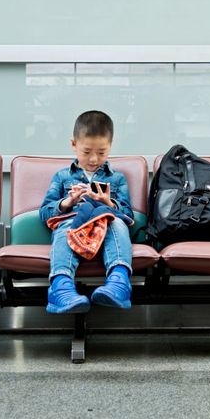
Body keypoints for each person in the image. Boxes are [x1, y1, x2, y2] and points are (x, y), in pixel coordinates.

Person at [39, 110, 134, 314]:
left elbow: (128, 215)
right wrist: (68, 202)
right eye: (86, 151)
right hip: (73, 225)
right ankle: (61, 288)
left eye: (101, 152)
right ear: (74, 144)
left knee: (117, 222)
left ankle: (118, 283)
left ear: (110, 146)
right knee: (64, 225)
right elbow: (45, 213)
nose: (93, 159)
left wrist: (108, 203)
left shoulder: (117, 179)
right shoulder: (63, 176)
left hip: (106, 226)